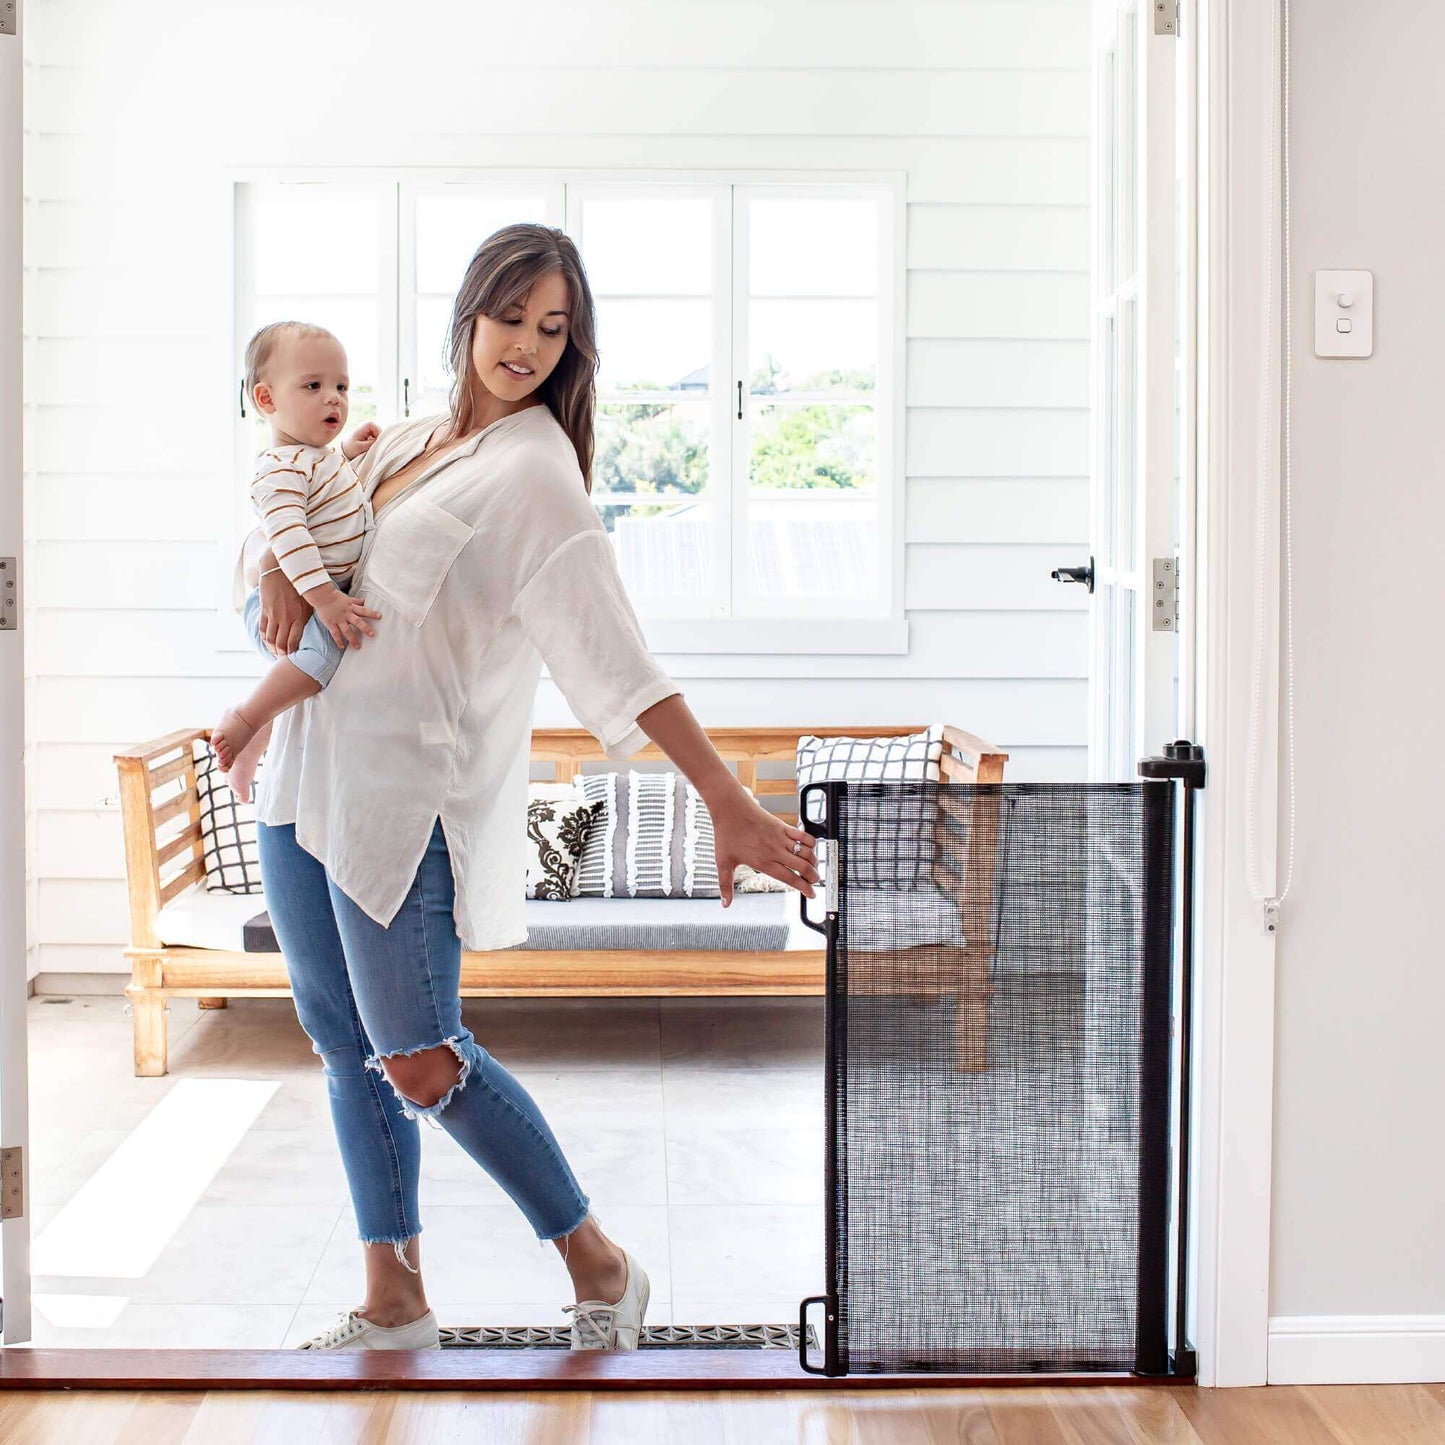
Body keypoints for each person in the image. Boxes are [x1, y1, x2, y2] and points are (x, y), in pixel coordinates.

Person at [251, 223, 820, 1353]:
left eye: (552, 329)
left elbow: (617, 654)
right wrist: (278, 560)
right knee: (341, 1045)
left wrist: (721, 794)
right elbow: (296, 511)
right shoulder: (401, 438)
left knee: (417, 1054)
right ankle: (393, 1296)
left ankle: (595, 1254)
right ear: (468, 313)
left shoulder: (534, 473)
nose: (523, 345)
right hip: (301, 776)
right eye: (509, 317)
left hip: (401, 799)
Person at [213, 322, 381, 802]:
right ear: (266, 400)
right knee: (325, 657)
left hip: (312, 599)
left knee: (308, 678)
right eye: (313, 386)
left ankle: (251, 748)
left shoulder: (315, 458)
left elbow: (326, 491)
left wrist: (349, 452)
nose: (334, 398)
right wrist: (326, 599)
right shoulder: (278, 470)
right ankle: (243, 721)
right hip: (289, 607)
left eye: (341, 386)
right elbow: (289, 539)